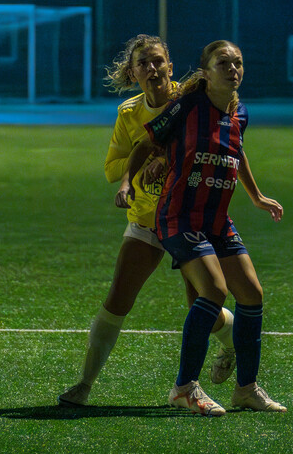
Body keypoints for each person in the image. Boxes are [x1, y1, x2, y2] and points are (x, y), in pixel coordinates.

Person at [59, 35, 236, 407]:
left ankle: (228, 350)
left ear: (170, 66)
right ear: (133, 72)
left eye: (158, 61)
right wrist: (136, 173)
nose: (152, 69)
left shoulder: (192, 102)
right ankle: (84, 385)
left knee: (202, 306)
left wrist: (166, 160)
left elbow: (215, 148)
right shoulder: (129, 113)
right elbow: (112, 168)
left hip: (187, 219)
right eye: (144, 63)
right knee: (117, 301)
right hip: (146, 218)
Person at [125, 39, 286, 416]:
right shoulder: (187, 106)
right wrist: (126, 183)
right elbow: (146, 144)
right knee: (213, 290)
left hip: (216, 219)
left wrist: (257, 196)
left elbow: (236, 150)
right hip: (179, 216)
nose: (233, 70)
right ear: (206, 73)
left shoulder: (240, 112)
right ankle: (184, 388)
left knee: (252, 294)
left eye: (238, 63)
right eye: (223, 63)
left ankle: (246, 389)